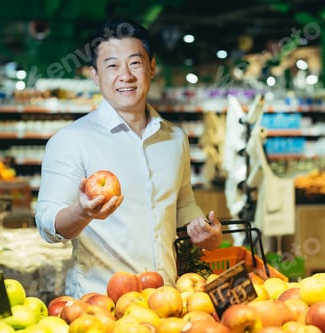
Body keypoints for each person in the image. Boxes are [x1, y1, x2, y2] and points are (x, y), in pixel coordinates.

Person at [35, 18, 223, 298]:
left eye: (135, 63)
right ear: (95, 76)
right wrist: (82, 212)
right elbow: (47, 224)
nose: (125, 75)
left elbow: (184, 207)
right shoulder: (71, 140)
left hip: (166, 301)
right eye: (112, 66)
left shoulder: (174, 138)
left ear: (152, 67)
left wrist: (209, 235)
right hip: (100, 306)